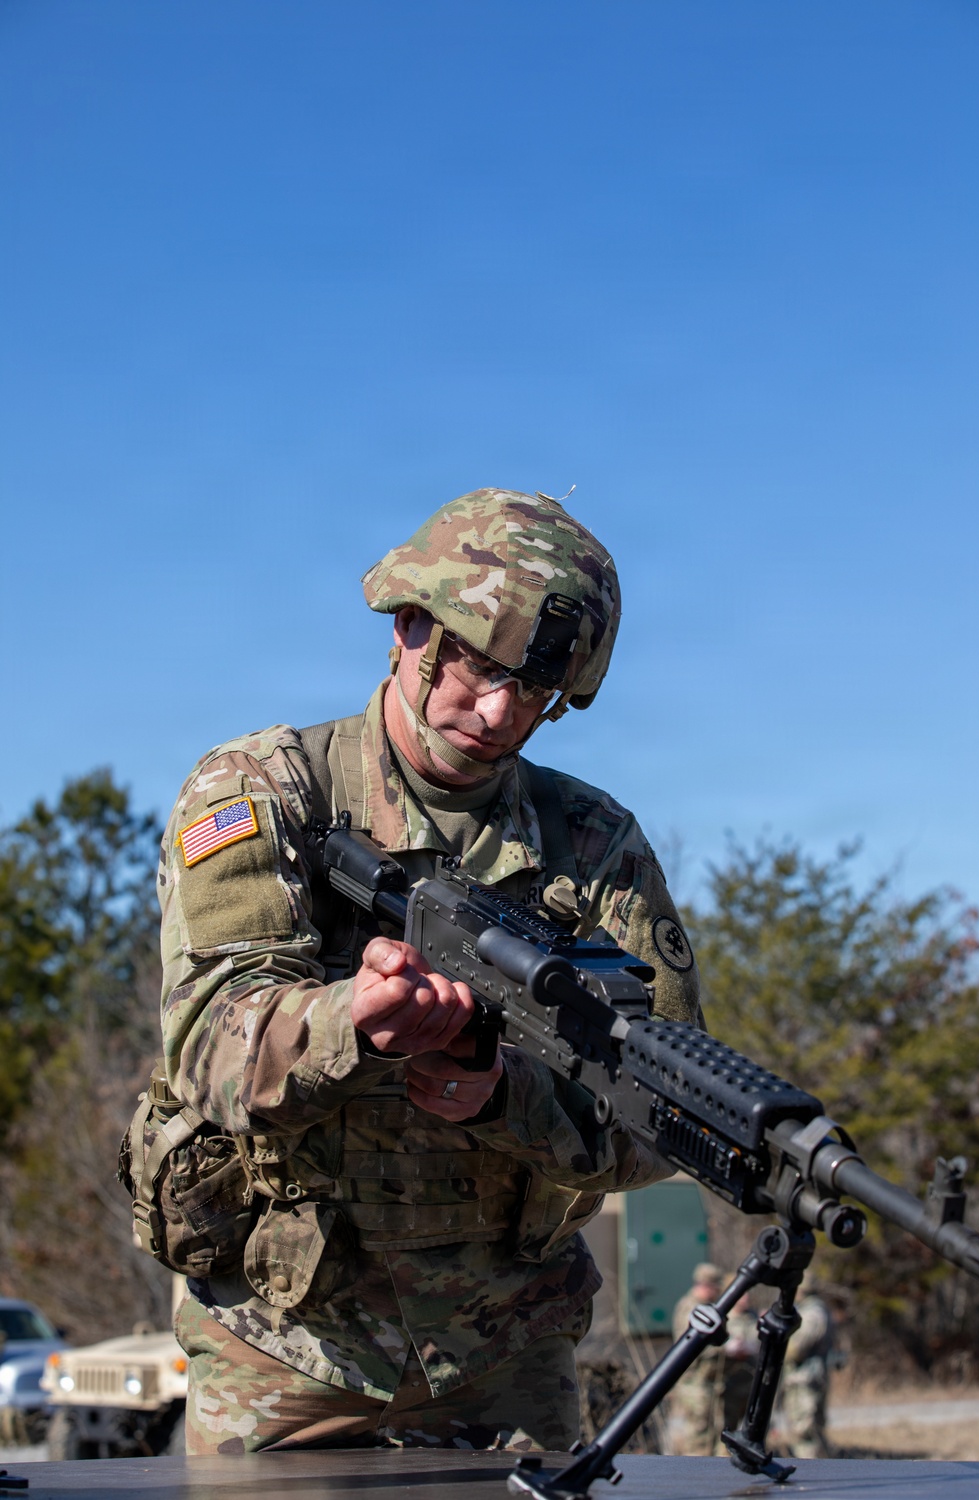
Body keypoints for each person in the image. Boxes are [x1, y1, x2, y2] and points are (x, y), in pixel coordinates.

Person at [156, 487, 702, 1454]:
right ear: (410, 624)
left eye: (534, 692)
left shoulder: (593, 841)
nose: (498, 713)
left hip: (508, 1351)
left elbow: (671, 1107)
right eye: (481, 666)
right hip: (285, 1352)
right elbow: (213, 1046)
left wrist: (504, 1093)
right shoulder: (262, 789)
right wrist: (352, 1023)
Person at [670, 1265, 758, 1456]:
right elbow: (694, 1343)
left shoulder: (704, 1307)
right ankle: (697, 1472)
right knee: (699, 1437)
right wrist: (727, 1348)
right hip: (695, 1382)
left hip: (708, 1383)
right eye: (716, 1288)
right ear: (707, 1286)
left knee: (711, 1436)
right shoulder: (691, 1307)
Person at [780, 1273, 837, 1458]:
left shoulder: (813, 1313)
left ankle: (808, 1470)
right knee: (810, 1433)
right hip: (805, 1380)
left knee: (804, 1434)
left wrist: (776, 1344)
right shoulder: (810, 1310)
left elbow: (796, 1348)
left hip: (804, 1381)